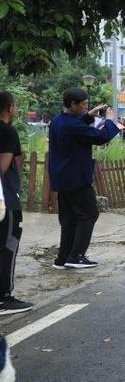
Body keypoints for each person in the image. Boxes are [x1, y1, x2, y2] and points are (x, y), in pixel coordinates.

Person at [49, 88, 122, 269]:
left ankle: (63, 258)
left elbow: (75, 124)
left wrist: (89, 115)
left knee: (69, 218)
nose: (84, 107)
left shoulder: (57, 120)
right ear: (72, 104)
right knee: (89, 214)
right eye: (82, 104)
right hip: (76, 177)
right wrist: (111, 120)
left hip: (62, 176)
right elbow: (101, 137)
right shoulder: (74, 126)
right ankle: (76, 256)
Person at [0, 91, 33, 313]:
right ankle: (4, 297)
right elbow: (4, 167)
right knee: (8, 246)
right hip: (6, 200)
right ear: (10, 108)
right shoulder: (7, 132)